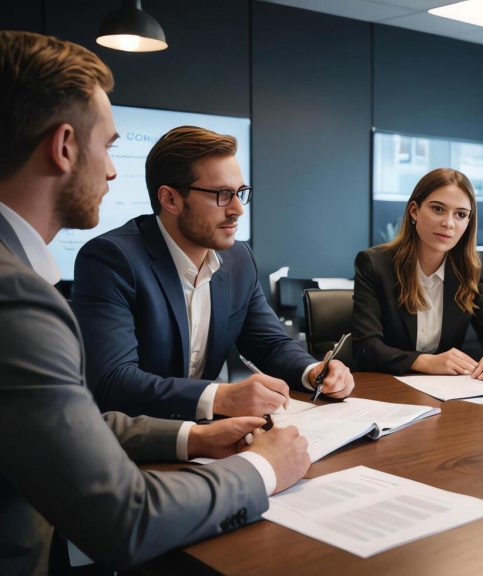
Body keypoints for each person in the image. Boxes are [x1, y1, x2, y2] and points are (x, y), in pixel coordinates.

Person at [0, 30, 310, 574]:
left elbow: (57, 417)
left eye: (240, 194)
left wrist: (195, 435)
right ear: (65, 146)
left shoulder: (238, 259)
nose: (114, 170)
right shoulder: (22, 292)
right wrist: (264, 469)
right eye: (109, 146)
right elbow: (126, 515)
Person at [71, 126, 355, 420]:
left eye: (239, 194)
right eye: (222, 195)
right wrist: (221, 396)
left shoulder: (238, 259)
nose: (237, 209)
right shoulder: (112, 260)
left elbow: (270, 344)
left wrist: (313, 372)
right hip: (131, 443)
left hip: (208, 435)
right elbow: (113, 381)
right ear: (170, 199)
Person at [353, 168, 483, 378]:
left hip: (445, 394)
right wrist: (425, 362)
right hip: (388, 389)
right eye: (438, 209)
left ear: (468, 222)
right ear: (414, 211)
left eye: (460, 214)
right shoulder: (374, 264)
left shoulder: (470, 270)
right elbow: (366, 348)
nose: (448, 223)